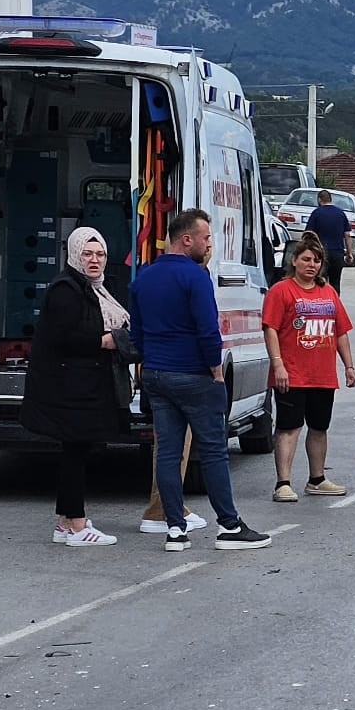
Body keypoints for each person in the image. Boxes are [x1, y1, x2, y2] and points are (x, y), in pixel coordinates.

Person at [131, 209, 269, 551]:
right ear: (186, 239)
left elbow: (137, 333)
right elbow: (208, 329)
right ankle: (229, 526)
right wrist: (216, 369)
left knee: (167, 452)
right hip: (193, 374)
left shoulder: (143, 278)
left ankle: (175, 529)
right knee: (213, 451)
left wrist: (148, 363)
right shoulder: (195, 278)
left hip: (156, 374)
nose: (209, 244)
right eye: (206, 238)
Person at [19, 227, 133, 547]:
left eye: (100, 255)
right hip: (69, 386)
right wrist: (107, 341)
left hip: (84, 384)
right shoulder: (66, 289)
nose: (94, 260)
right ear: (74, 254)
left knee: (77, 450)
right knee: (75, 451)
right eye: (87, 254)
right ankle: (78, 525)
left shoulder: (95, 288)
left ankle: (66, 522)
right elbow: (64, 337)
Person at [263, 232, 355, 503]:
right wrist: (278, 365)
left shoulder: (328, 293)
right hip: (292, 374)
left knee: (319, 427)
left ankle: (317, 479)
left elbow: (341, 332)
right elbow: (270, 329)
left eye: (316, 260)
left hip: (322, 375)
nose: (311, 265)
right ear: (294, 261)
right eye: (306, 259)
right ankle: (283, 483)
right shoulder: (281, 291)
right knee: (289, 427)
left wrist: (349, 366)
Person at [303, 187, 352, 293]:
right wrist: (349, 253)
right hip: (337, 254)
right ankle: (334, 304)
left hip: (321, 254)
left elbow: (309, 234)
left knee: (320, 281)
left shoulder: (316, 213)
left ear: (319, 200)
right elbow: (347, 235)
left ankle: (321, 303)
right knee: (335, 282)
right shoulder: (340, 214)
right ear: (331, 199)